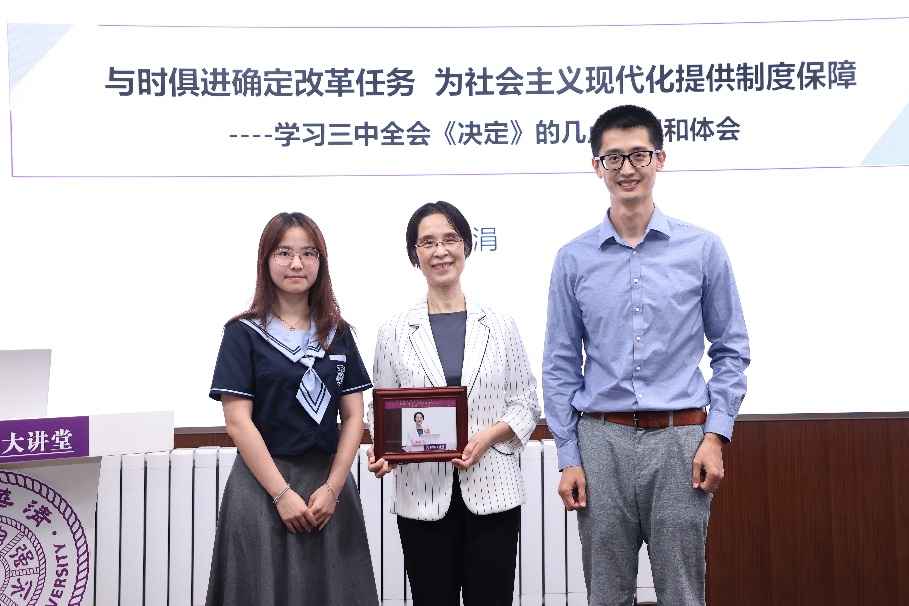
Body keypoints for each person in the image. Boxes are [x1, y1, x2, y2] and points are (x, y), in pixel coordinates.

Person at [543, 105, 750, 606]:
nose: (627, 168)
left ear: (660, 158)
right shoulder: (573, 259)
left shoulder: (702, 249)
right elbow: (560, 365)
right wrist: (569, 456)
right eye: (613, 157)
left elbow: (731, 350)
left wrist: (715, 436)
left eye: (638, 154)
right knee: (607, 594)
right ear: (597, 167)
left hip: (681, 440)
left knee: (682, 592)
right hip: (601, 441)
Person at [367, 201, 541, 606]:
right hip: (422, 495)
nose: (440, 250)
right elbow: (381, 410)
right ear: (415, 254)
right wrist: (385, 449)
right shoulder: (393, 330)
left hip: (494, 491)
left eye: (450, 239)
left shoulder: (499, 323)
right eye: (427, 242)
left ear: (466, 246)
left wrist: (488, 436)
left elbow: (526, 403)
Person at [206, 212, 379, 606]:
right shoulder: (242, 333)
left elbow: (354, 416)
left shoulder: (338, 332)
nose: (297, 263)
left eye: (308, 253)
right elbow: (237, 421)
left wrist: (333, 489)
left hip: (328, 491)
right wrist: (281, 493)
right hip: (262, 487)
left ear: (321, 261)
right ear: (266, 260)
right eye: (284, 253)